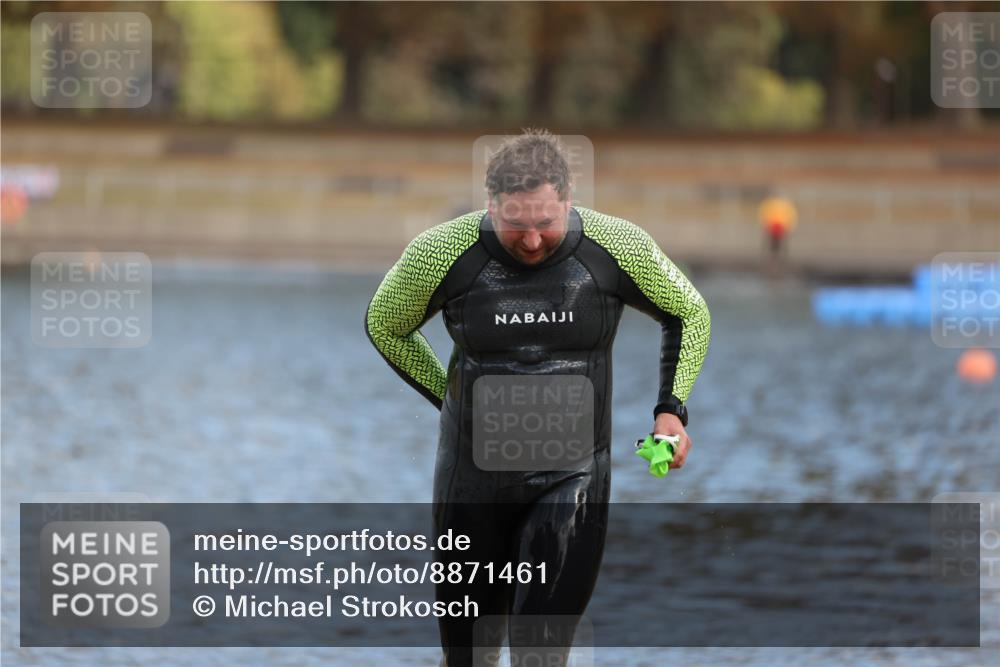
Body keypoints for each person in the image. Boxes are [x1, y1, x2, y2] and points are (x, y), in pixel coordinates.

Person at [365, 130, 710, 666]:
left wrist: (671, 409)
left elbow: (689, 312)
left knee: (540, 655)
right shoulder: (441, 251)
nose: (531, 241)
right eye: (515, 225)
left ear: (568, 202)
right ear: (490, 205)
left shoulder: (616, 246)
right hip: (471, 476)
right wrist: (449, 398)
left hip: (571, 475)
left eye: (545, 223)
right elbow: (385, 325)